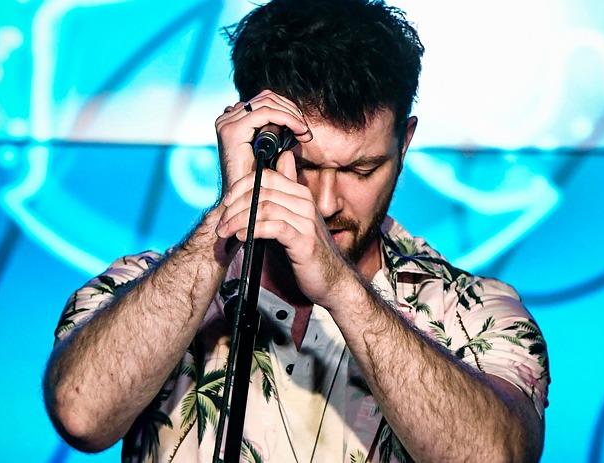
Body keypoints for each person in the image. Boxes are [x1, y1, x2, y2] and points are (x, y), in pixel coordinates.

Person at [43, 0, 550, 462]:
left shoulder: (475, 311)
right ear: (248, 136)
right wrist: (225, 219)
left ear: (406, 141)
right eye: (305, 166)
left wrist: (341, 290)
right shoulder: (146, 285)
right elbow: (81, 417)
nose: (327, 203)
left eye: (361, 170)